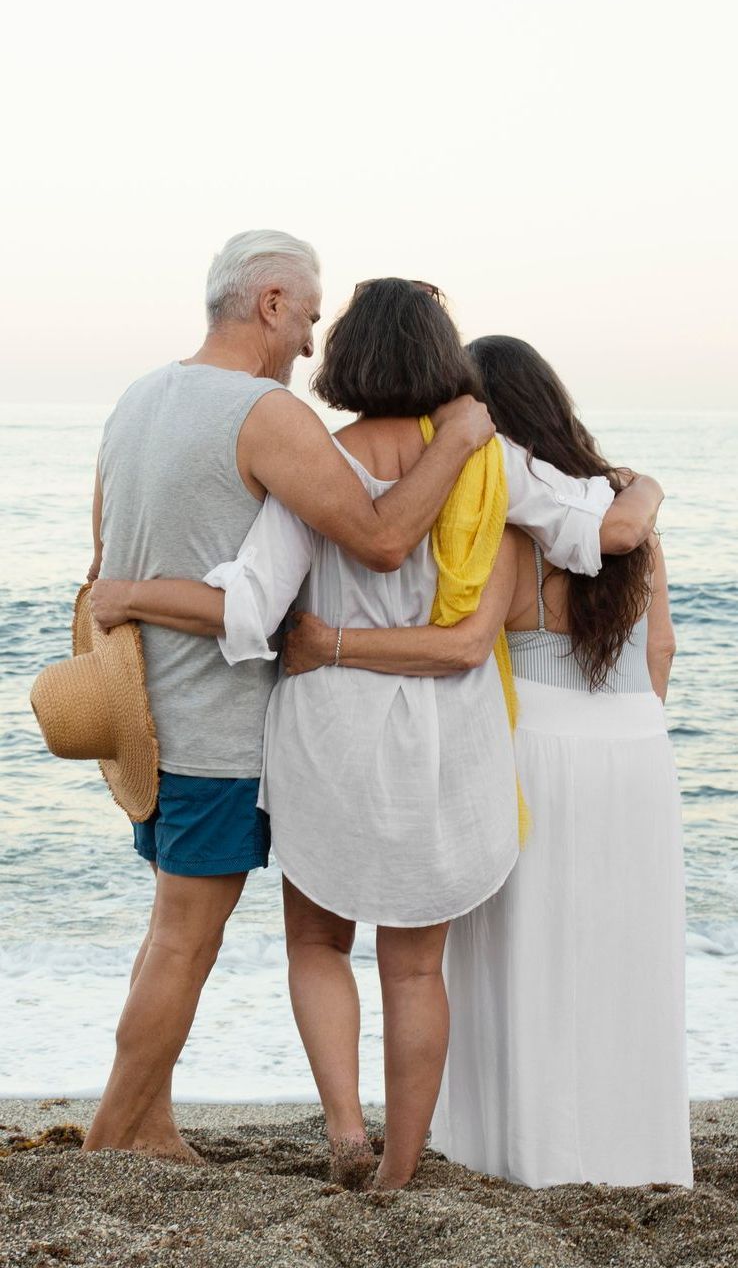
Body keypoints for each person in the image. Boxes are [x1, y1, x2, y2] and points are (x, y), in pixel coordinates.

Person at [91, 286, 664, 1186]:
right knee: (414, 970)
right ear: (445, 362)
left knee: (317, 946)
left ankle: (346, 1132)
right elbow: (613, 530)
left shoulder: (320, 467)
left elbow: (247, 609)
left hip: (326, 732)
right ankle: (399, 1171)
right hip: (444, 740)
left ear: (346, 359)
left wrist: (130, 593)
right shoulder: (490, 462)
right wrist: (645, 483)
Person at [82, 235, 497, 1162]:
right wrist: (465, 436)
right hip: (216, 726)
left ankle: (150, 1125)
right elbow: (382, 539)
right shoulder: (266, 413)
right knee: (185, 942)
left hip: (139, 720)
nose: (311, 346)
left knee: (169, 932)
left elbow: (102, 556)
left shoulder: (135, 400)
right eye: (308, 318)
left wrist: (132, 606)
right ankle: (114, 1137)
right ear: (271, 302)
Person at [283, 335, 691, 1188]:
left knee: (517, 962)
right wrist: (646, 483)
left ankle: (523, 1149)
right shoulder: (625, 508)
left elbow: (466, 642)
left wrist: (333, 645)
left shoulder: (503, 513)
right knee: (626, 958)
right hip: (637, 751)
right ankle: (635, 1150)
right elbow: (660, 653)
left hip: (536, 746)